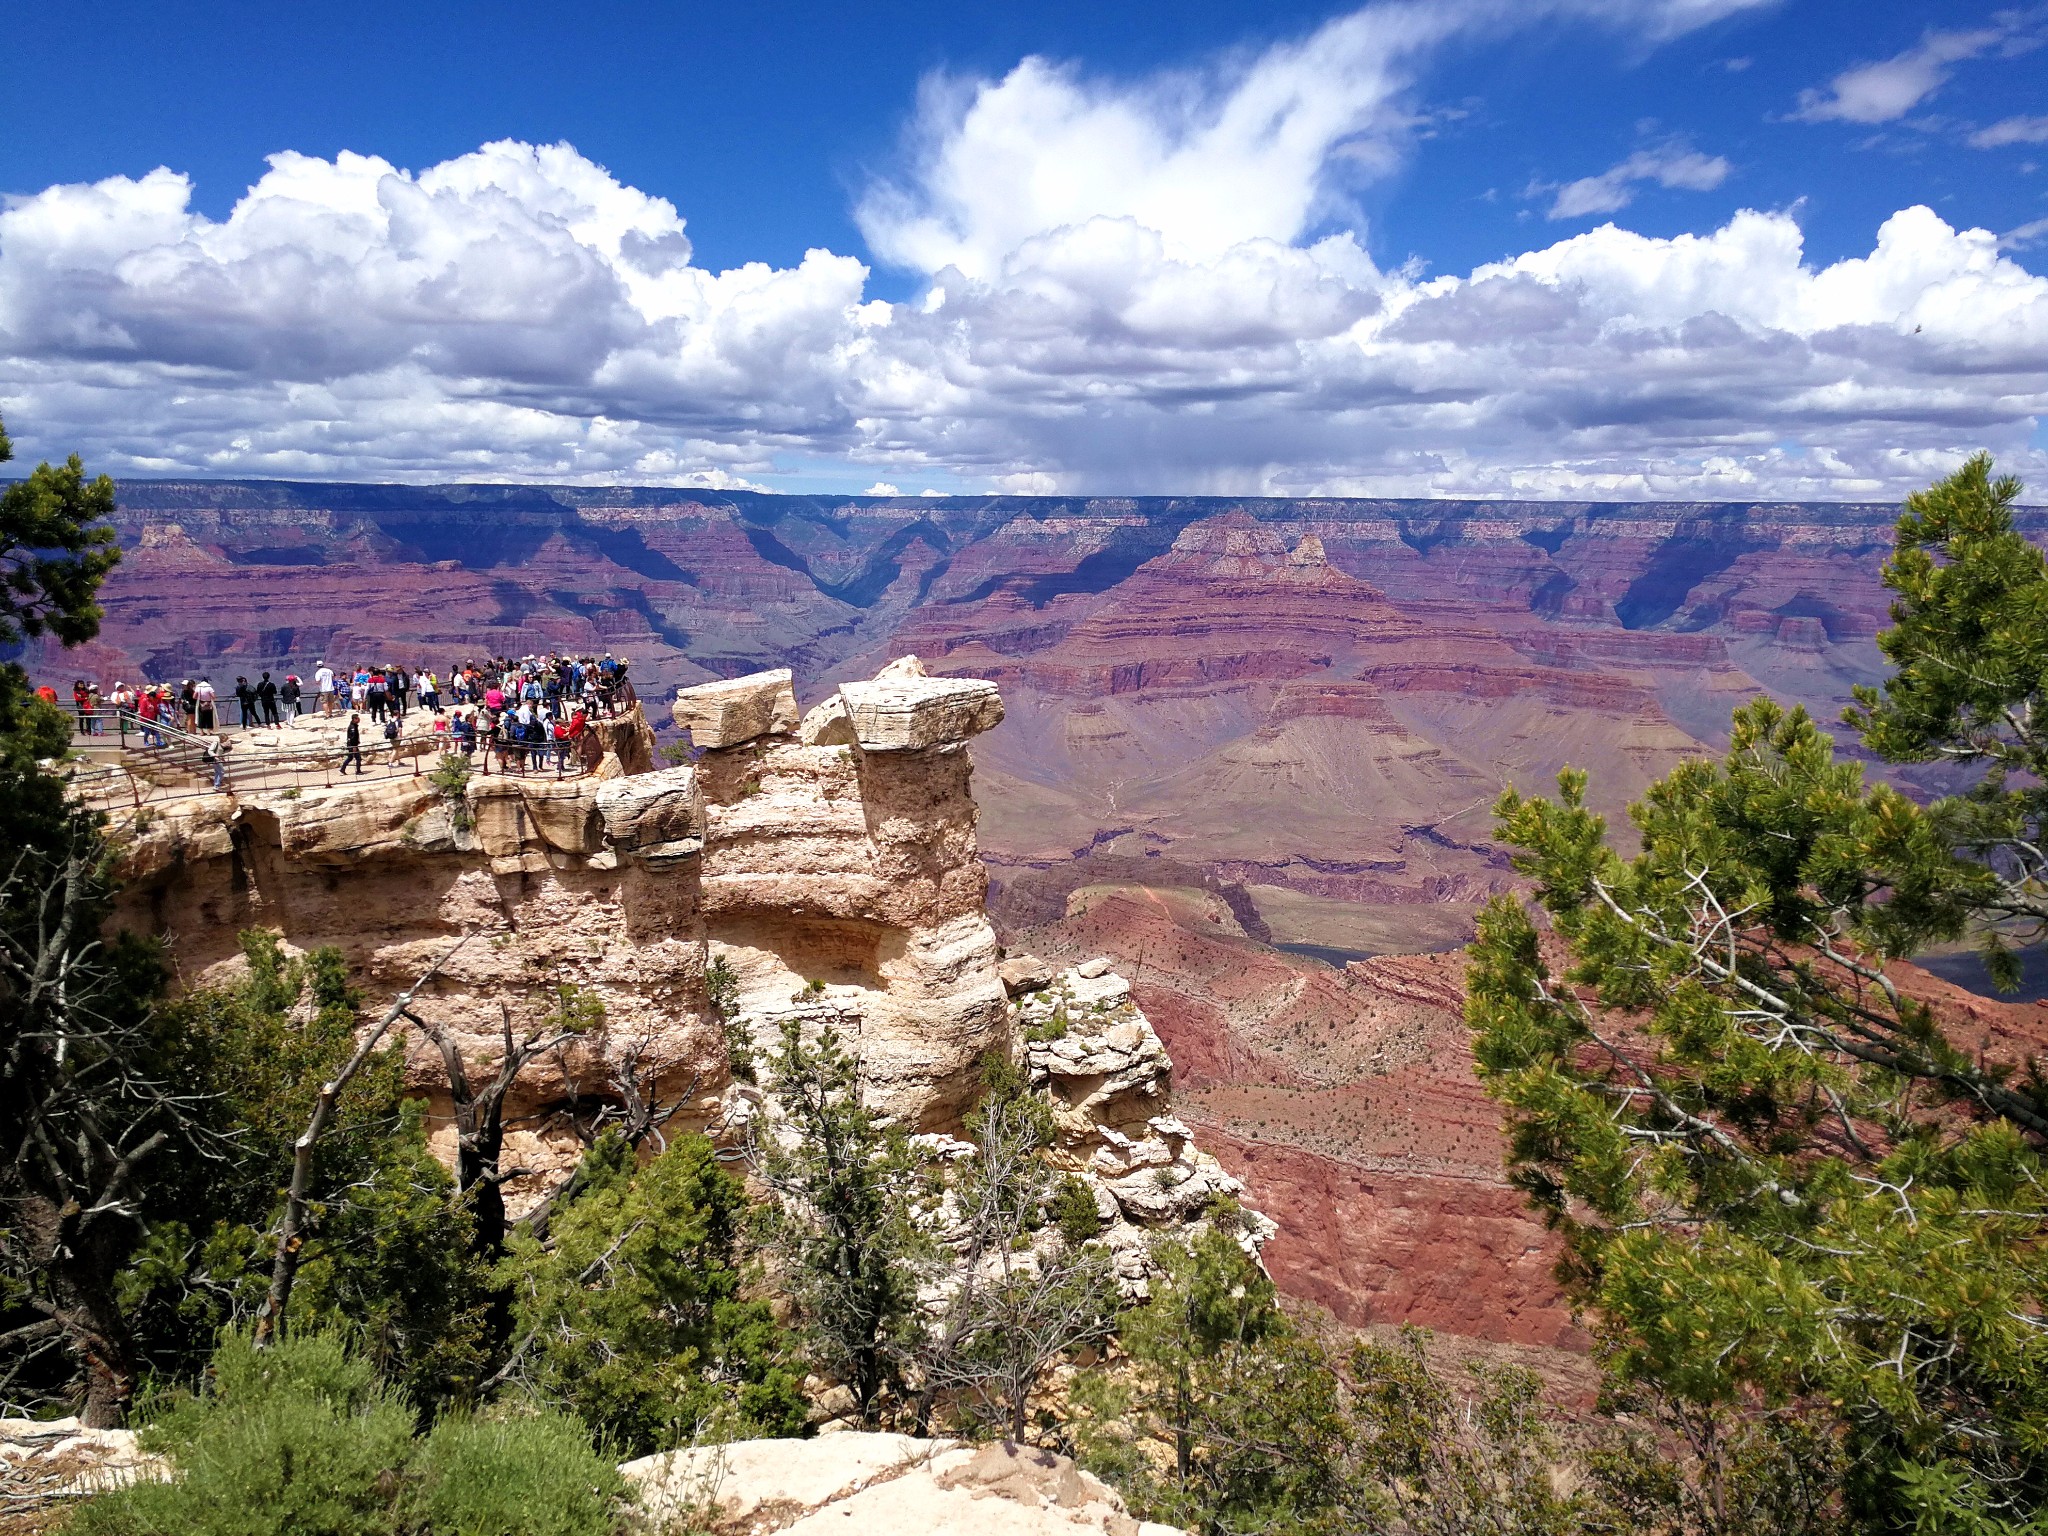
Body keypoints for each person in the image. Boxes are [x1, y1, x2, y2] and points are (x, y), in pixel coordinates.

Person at [340, 711, 364, 775]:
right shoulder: (352, 727)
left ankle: (343, 768)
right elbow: (353, 738)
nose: (359, 720)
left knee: (350, 757)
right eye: (357, 718)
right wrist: (354, 746)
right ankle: (358, 771)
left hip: (352, 745)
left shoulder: (354, 726)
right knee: (358, 758)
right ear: (354, 719)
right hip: (352, 745)